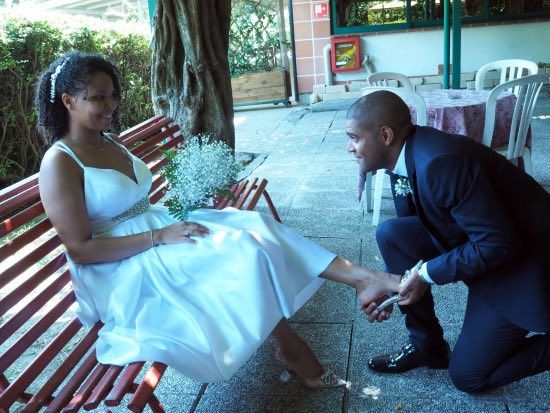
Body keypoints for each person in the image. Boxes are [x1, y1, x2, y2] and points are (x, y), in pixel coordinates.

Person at [35, 51, 401, 388]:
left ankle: (361, 278)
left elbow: (135, 202)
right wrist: (159, 237)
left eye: (113, 95)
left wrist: (175, 219)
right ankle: (292, 347)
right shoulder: (60, 162)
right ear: (68, 101)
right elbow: (81, 250)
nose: (111, 105)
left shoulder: (109, 141)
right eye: (99, 97)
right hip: (118, 267)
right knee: (238, 252)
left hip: (154, 227)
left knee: (255, 227)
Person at [346, 90, 550, 393]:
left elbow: (498, 244)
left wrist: (427, 273)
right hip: (484, 240)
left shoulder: (439, 163)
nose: (349, 149)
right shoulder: (402, 154)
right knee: (392, 234)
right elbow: (419, 225)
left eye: (353, 138)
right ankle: (427, 346)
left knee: (468, 377)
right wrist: (391, 286)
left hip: (524, 263)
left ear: (385, 135)